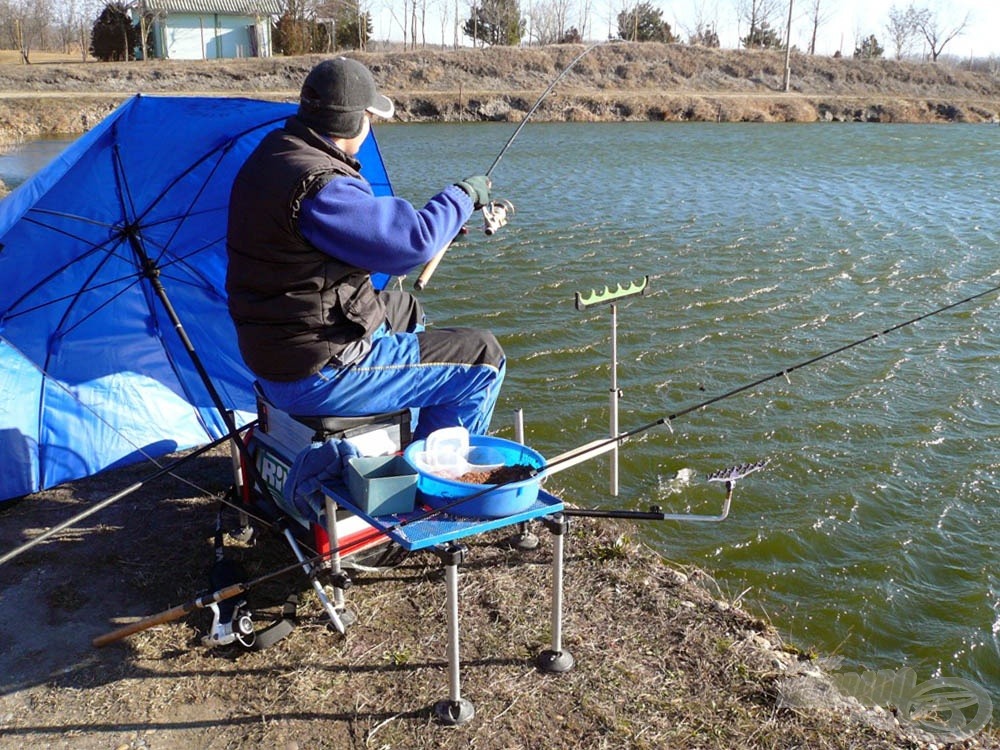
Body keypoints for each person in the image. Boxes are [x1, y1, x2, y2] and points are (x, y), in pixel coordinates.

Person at [226, 57, 505, 441]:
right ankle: (437, 487)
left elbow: (328, 243)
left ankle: (402, 431)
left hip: (277, 349)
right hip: (316, 371)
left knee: (405, 309)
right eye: (370, 117)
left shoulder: (274, 155)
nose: (370, 126)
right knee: (483, 358)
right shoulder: (320, 183)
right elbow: (413, 242)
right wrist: (463, 195)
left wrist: (444, 233)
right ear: (352, 121)